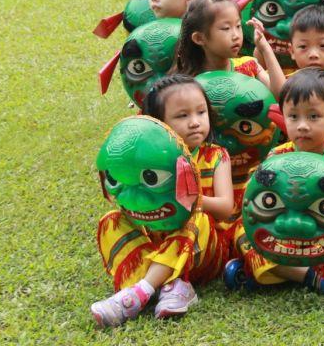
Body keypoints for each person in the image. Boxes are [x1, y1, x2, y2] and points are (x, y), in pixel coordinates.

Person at [90, 75, 230, 326]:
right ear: (159, 124)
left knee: (196, 217)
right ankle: (170, 286)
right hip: (158, 242)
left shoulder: (217, 156)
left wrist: (192, 199)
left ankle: (141, 291)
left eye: (201, 112)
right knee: (112, 221)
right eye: (182, 116)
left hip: (203, 251)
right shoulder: (146, 163)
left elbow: (226, 209)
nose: (195, 122)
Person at [223, 68, 324, 295]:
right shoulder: (277, 156)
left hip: (320, 235)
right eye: (293, 116)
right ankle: (316, 279)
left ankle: (269, 275)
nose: (302, 125)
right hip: (282, 233)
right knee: (241, 232)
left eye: (313, 116)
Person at [170, 0, 283, 89]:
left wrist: (265, 48)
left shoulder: (249, 67)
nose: (236, 36)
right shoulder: (189, 84)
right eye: (226, 28)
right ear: (199, 38)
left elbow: (281, 96)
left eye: (238, 26)